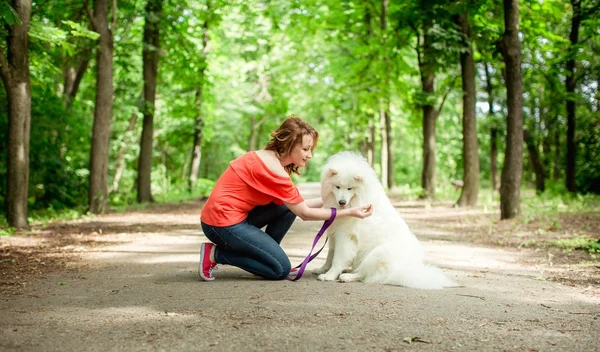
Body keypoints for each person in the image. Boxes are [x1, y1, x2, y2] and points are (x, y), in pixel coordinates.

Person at [199, 115, 374, 281]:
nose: (310, 155)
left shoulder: (267, 158)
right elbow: (304, 213)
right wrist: (349, 211)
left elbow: (296, 205)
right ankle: (216, 254)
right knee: (280, 269)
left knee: (286, 209)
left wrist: (333, 200)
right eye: (306, 149)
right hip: (221, 224)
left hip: (232, 217)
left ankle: (267, 256)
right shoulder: (273, 170)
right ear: (290, 145)